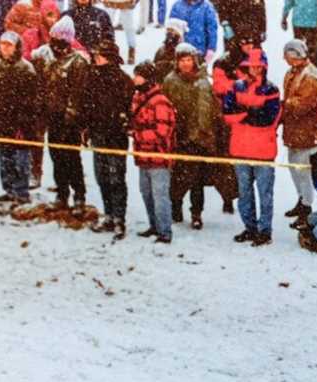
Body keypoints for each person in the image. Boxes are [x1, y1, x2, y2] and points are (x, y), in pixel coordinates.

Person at [222, 47, 281, 245]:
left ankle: (265, 231)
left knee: (265, 194)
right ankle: (250, 228)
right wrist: (253, 112)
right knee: (244, 193)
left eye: (258, 66)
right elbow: (227, 114)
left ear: (264, 68)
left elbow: (269, 118)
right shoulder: (235, 86)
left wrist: (244, 113)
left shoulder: (272, 90)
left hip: (263, 151)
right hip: (241, 148)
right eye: (252, 66)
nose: (255, 70)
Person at [163, 42, 217, 229]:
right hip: (178, 137)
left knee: (197, 180)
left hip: (198, 138)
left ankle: (196, 213)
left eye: (188, 60)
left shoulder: (203, 83)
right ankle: (176, 207)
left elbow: (209, 110)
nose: (186, 64)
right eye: (182, 60)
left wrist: (205, 134)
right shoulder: (170, 81)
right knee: (177, 178)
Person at [38, 15, 89, 209]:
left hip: (70, 119)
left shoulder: (77, 62)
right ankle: (62, 193)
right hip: (53, 116)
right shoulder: (49, 59)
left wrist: (71, 114)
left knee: (71, 158)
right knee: (56, 156)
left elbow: (78, 92)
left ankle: (79, 194)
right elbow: (44, 87)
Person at [83, 39, 133, 236]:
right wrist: (86, 127)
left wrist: (122, 122)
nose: (96, 59)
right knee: (101, 177)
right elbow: (87, 105)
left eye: (100, 56)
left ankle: (119, 218)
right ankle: (109, 215)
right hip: (98, 135)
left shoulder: (123, 80)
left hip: (115, 137)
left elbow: (129, 109)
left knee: (116, 178)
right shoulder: (92, 78)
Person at [0, 29, 38, 208]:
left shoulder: (26, 68)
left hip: (21, 122)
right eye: (2, 44)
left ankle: (21, 192)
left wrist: (24, 122)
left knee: (21, 158)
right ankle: (8, 189)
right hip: (2, 120)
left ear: (17, 48)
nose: (5, 48)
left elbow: (31, 99)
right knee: (4, 157)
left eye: (9, 45)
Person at [129, 59, 176, 241]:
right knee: (146, 193)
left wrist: (138, 134)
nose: (135, 80)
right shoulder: (137, 98)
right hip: (143, 156)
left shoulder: (160, 102)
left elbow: (162, 132)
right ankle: (154, 225)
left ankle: (165, 230)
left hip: (158, 157)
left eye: (139, 76)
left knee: (160, 195)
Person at [279, 38, 317, 229]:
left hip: (306, 131)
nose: (285, 58)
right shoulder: (292, 73)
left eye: (287, 55)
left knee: (303, 171)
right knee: (294, 168)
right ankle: (301, 199)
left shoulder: (310, 77)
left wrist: (284, 105)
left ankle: (307, 206)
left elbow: (304, 105)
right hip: (293, 130)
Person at [281, 0, 317, 67]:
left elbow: (288, 2)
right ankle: (312, 73)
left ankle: (299, 71)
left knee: (298, 52)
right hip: (313, 21)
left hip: (298, 22)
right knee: (313, 55)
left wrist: (284, 17)